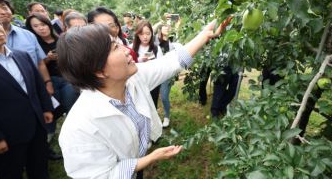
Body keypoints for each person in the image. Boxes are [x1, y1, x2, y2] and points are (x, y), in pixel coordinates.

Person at [57, 16, 227, 178]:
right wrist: (150, 159)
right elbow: (103, 175)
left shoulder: (132, 79)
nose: (126, 50)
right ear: (99, 71)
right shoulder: (78, 130)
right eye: (115, 47)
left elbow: (171, 62)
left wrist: (205, 35)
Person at [0, 19, 54, 179]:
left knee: (39, 168)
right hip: (8, 135)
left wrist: (46, 107)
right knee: (10, 172)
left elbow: (37, 84)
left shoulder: (21, 56)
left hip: (36, 124)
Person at [25, 13, 79, 160]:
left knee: (71, 109)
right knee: (52, 112)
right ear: (31, 29)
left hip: (67, 79)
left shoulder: (61, 39)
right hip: (49, 82)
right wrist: (47, 59)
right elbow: (37, 65)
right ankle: (46, 145)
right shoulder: (34, 43)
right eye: (36, 26)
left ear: (48, 24)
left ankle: (76, 141)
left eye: (43, 24)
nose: (41, 28)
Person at [0, 0, 54, 95]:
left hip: (37, 90)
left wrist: (48, 83)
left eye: (5, 7)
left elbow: (40, 62)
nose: (2, 12)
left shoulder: (28, 35)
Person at [133, 20, 164, 109]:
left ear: (151, 34)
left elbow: (161, 66)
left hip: (153, 83)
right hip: (137, 83)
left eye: (148, 33)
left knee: (153, 106)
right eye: (142, 34)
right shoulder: (132, 48)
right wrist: (139, 60)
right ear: (137, 34)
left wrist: (153, 62)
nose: (145, 37)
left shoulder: (156, 48)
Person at [154, 23, 178, 127]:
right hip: (155, 72)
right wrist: (159, 21)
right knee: (153, 97)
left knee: (164, 97)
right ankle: (154, 118)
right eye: (165, 27)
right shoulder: (155, 40)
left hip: (167, 73)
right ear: (160, 29)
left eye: (168, 27)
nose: (167, 28)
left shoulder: (173, 39)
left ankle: (167, 116)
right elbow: (150, 29)